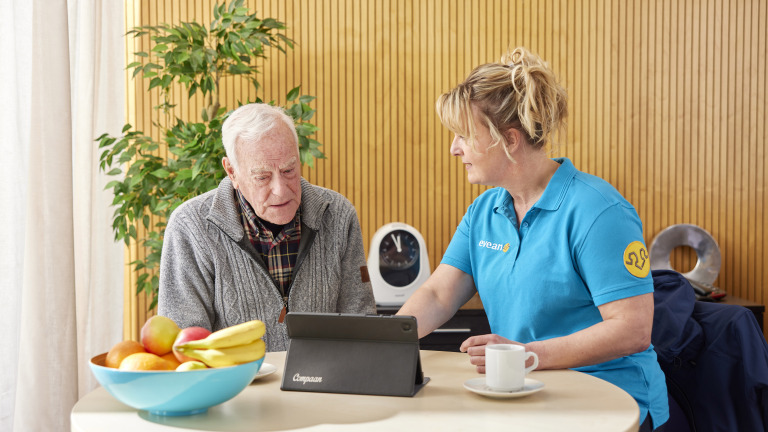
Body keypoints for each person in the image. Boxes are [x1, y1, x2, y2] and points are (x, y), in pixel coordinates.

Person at [397, 47, 668, 430]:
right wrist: (389, 341)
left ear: (508, 140)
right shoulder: (484, 211)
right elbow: (440, 294)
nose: (454, 149)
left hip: (609, 398)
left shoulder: (599, 211)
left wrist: (526, 355)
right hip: (525, 390)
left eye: (464, 136)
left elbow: (632, 329)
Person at [158, 103, 376, 352]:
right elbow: (185, 347)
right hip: (235, 388)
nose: (281, 190)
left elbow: (361, 321)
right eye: (262, 177)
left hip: (323, 387)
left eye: (289, 170)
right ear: (232, 172)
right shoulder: (190, 227)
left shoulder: (338, 215)